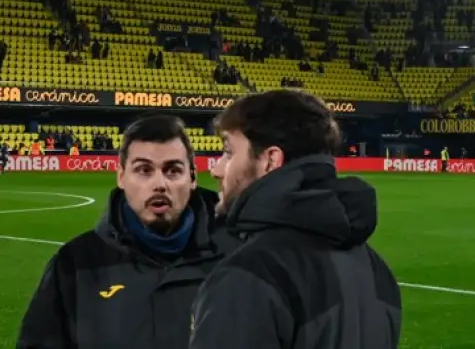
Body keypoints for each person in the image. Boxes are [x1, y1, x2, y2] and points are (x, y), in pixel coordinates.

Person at [189, 89, 402, 349]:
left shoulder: (247, 275)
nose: (216, 169)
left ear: (270, 160)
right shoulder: (375, 268)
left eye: (228, 152)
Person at [18, 115, 231, 348]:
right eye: (143, 170)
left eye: (172, 170)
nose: (159, 183)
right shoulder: (74, 265)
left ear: (192, 178)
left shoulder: (235, 255)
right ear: (121, 177)